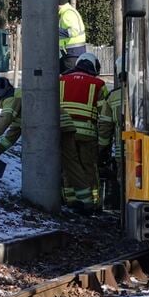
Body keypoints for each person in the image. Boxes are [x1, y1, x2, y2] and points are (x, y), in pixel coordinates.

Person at [60, 52, 108, 213]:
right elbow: (104, 114)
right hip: (88, 133)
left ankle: (71, 200)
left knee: (69, 166)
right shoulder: (99, 84)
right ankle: (93, 202)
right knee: (89, 167)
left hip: (65, 132)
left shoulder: (61, 81)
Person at [97, 59, 125, 211]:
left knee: (124, 184)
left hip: (122, 154)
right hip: (146, 153)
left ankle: (124, 214)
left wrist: (101, 149)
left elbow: (105, 129)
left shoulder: (113, 97)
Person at [58, 0, 87, 73]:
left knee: (70, 77)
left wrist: (55, 31)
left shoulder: (67, 14)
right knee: (54, 69)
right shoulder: (67, 12)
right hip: (71, 53)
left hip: (73, 53)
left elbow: (74, 31)